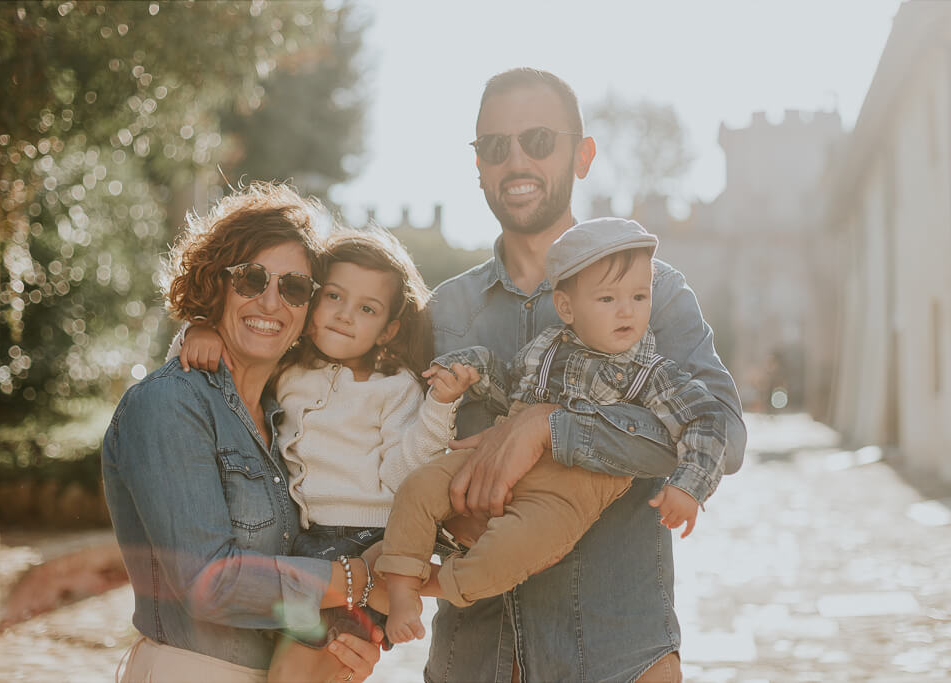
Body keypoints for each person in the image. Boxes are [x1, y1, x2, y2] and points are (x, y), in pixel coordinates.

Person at [425, 68, 746, 682]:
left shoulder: (657, 293)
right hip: (474, 662)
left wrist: (553, 429)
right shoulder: (444, 311)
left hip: (619, 659)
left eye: (538, 140)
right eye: (495, 146)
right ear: (479, 165)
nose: (516, 160)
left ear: (583, 154)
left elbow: (724, 434)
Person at [376, 217, 728, 644]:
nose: (627, 310)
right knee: (418, 487)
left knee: (508, 552)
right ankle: (398, 590)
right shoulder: (547, 346)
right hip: (499, 453)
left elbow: (706, 419)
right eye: (607, 298)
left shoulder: (651, 372)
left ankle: (433, 583)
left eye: (639, 295)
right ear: (566, 307)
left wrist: (688, 486)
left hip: (567, 491)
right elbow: (507, 383)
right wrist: (469, 368)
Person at [102, 182, 386, 683]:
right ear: (216, 283)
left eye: (294, 287)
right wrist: (355, 581)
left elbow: (280, 597)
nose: (272, 302)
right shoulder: (171, 404)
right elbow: (209, 586)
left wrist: (339, 647)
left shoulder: (292, 418)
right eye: (252, 279)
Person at [173, 227, 458, 668]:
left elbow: (407, 474)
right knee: (274, 657)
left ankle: (401, 594)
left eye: (367, 308)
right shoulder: (287, 369)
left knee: (294, 670)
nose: (345, 315)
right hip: (305, 546)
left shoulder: (393, 387)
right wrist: (198, 332)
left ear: (388, 330)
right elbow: (225, 371)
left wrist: (437, 408)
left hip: (364, 542)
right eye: (334, 297)